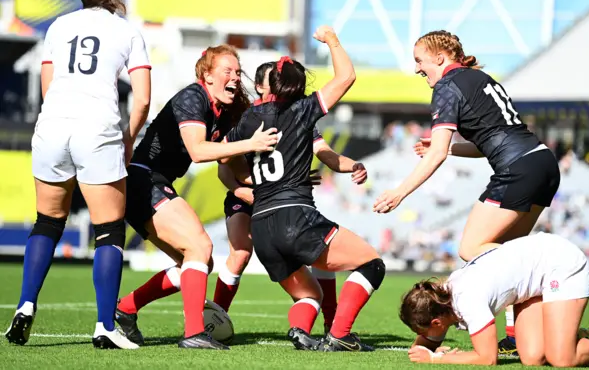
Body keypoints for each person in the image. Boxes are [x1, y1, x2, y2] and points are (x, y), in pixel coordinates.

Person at [373, 30, 561, 355]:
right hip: (542, 162)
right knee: (508, 252)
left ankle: (549, 283)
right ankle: (519, 334)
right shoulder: (478, 78)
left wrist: (399, 192)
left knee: (471, 247)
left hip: (517, 168)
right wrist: (451, 147)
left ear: (440, 58)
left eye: (419, 61)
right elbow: (490, 141)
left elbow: (437, 155)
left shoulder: (446, 85)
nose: (417, 68)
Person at [4, 0, 150, 350]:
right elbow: (144, 98)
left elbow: (47, 86)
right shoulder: (127, 30)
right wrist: (129, 138)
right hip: (96, 128)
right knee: (109, 230)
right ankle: (104, 325)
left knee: (47, 222)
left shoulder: (58, 26)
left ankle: (25, 305)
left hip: (52, 126)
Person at [223, 26, 385, 352]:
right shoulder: (303, 110)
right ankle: (340, 334)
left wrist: (252, 184)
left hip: (263, 225)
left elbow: (225, 161)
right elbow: (346, 77)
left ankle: (300, 330)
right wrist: (333, 41)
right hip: (294, 216)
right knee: (372, 265)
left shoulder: (246, 120)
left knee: (310, 294)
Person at [113, 45, 278, 350]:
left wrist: (275, 185)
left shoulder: (223, 112)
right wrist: (249, 143)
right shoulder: (194, 96)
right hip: (143, 179)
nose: (235, 77)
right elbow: (198, 151)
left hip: (153, 183)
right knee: (200, 247)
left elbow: (230, 170)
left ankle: (126, 309)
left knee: (193, 260)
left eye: (237, 72)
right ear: (207, 76)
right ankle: (193, 333)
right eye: (227, 71)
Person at [399, 233, 589, 367]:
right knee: (534, 359)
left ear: (437, 323)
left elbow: (488, 358)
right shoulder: (440, 300)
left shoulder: (467, 300)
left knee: (562, 359)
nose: (423, 336)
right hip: (533, 279)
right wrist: (426, 349)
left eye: (422, 329)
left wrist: (436, 358)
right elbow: (421, 346)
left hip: (560, 265)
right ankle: (573, 336)